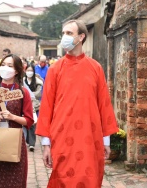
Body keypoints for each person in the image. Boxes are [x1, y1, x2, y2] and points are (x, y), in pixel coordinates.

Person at [35, 20, 119, 187]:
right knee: (63, 179)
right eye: (63, 33)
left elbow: (104, 105)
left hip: (90, 137)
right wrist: (46, 144)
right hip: (62, 136)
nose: (64, 37)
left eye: (69, 33)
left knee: (90, 179)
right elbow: (46, 108)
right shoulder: (55, 69)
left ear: (81, 37)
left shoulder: (95, 68)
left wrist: (106, 141)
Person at [0, 54, 34, 188]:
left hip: (14, 141)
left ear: (17, 71)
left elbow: (29, 120)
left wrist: (12, 117)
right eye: (3, 65)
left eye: (10, 66)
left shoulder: (23, 92)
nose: (5, 68)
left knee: (14, 181)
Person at [23, 63, 43, 152]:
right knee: (25, 123)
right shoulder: (23, 81)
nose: (29, 72)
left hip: (35, 105)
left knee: (32, 123)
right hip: (25, 104)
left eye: (31, 70)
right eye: (28, 70)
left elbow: (39, 93)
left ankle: (32, 143)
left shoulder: (38, 82)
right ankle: (28, 140)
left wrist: (29, 95)